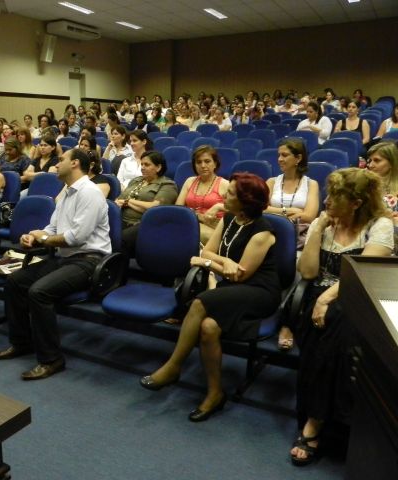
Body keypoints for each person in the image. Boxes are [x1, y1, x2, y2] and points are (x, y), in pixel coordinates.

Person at [140, 173, 280, 422]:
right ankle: (215, 394)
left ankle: (173, 366)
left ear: (246, 200)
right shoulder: (229, 218)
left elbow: (239, 274)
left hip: (259, 292)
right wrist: (222, 261)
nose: (224, 194)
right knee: (208, 327)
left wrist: (208, 263)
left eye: (231, 193)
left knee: (199, 302)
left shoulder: (263, 232)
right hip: (232, 289)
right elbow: (208, 252)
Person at [291, 168, 393, 466]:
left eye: (336, 196)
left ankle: (315, 421)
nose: (327, 201)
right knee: (323, 331)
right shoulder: (324, 222)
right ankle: (322, 417)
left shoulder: (380, 225)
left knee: (336, 328)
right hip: (317, 296)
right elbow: (308, 272)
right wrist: (318, 229)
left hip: (358, 297)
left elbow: (362, 273)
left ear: (357, 203)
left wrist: (325, 298)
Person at [0, 148, 111, 380]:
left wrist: (44, 238)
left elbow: (76, 238)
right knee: (15, 281)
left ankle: (51, 359)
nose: (56, 164)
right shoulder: (66, 192)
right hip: (65, 258)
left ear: (75, 163)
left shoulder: (90, 193)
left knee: (39, 292)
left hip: (89, 261)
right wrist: (34, 236)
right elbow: (53, 228)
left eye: (61, 160)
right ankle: (22, 342)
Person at [263, 139, 320, 350]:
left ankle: (287, 322)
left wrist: (275, 211)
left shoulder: (311, 184)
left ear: (298, 158)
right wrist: (289, 212)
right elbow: (261, 208)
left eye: (285, 155)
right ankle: (265, 309)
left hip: (299, 238)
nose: (279, 159)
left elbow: (310, 215)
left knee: (297, 265)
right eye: (279, 155)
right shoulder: (271, 181)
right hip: (270, 235)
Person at [116, 151, 178, 256]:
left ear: (158, 167)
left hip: (144, 223)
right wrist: (125, 202)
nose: (142, 168)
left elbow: (155, 209)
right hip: (121, 218)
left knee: (121, 238)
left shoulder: (167, 185)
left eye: (147, 165)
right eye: (142, 164)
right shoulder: (136, 180)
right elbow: (119, 200)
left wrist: (128, 201)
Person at [175, 146, 229, 245]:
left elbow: (238, 210)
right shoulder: (189, 181)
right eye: (199, 162)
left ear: (215, 164)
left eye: (207, 161)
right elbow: (178, 208)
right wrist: (198, 216)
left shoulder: (225, 184)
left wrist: (218, 206)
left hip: (215, 228)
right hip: (191, 222)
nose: (203, 165)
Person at [367, 141, 398, 235]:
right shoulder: (364, 184)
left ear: (391, 163)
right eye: (370, 160)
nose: (370, 165)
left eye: (377, 160)